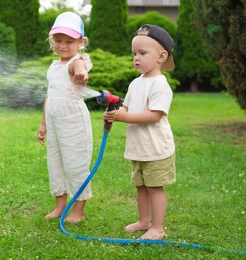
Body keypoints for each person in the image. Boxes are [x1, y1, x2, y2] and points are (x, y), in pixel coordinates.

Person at [103, 24, 176, 240]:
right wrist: (116, 113)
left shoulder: (160, 85)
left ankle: (158, 227)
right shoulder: (136, 83)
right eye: (134, 53)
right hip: (138, 148)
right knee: (141, 187)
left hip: (156, 148)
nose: (136, 58)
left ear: (161, 56)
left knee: (154, 188)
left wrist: (125, 117)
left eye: (142, 53)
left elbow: (155, 115)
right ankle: (144, 221)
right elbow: (127, 108)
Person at [37, 12, 98, 224]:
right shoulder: (53, 66)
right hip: (54, 123)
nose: (62, 45)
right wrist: (43, 123)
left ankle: (78, 211)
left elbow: (79, 67)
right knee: (56, 163)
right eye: (58, 40)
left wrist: (82, 74)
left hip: (73, 124)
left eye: (69, 41)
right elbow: (50, 95)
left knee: (75, 164)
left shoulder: (76, 61)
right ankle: (59, 206)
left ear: (81, 42)